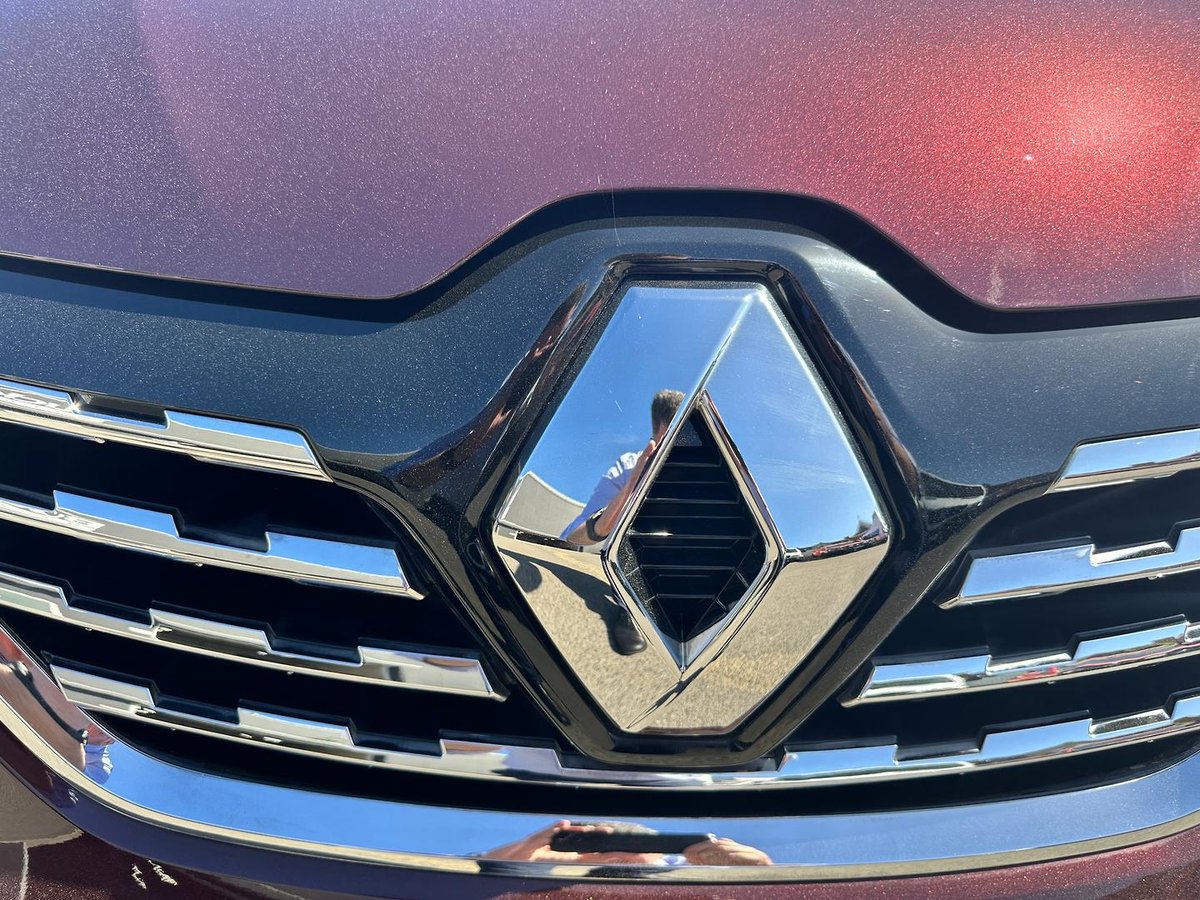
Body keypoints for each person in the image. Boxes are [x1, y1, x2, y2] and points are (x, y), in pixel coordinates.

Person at [560, 389, 684, 655]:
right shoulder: (627, 466)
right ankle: (631, 604)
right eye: (679, 432)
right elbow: (572, 536)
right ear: (661, 428)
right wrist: (631, 489)